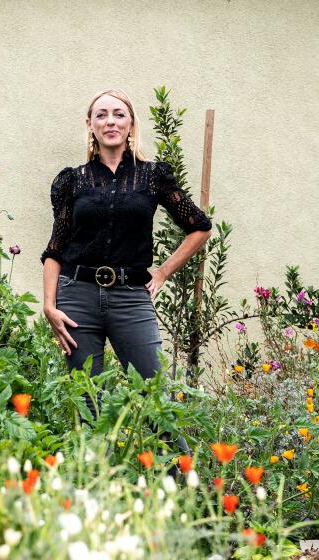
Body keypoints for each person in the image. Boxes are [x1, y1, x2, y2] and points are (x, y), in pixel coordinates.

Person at [40, 88, 213, 430]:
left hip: (131, 297)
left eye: (119, 114)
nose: (110, 121)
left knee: (155, 400)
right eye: (101, 115)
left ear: (131, 124)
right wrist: (49, 304)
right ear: (90, 125)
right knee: (89, 403)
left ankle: (179, 481)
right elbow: (56, 247)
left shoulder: (152, 177)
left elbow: (200, 227)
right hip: (77, 297)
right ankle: (94, 479)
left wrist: (162, 272)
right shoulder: (73, 181)